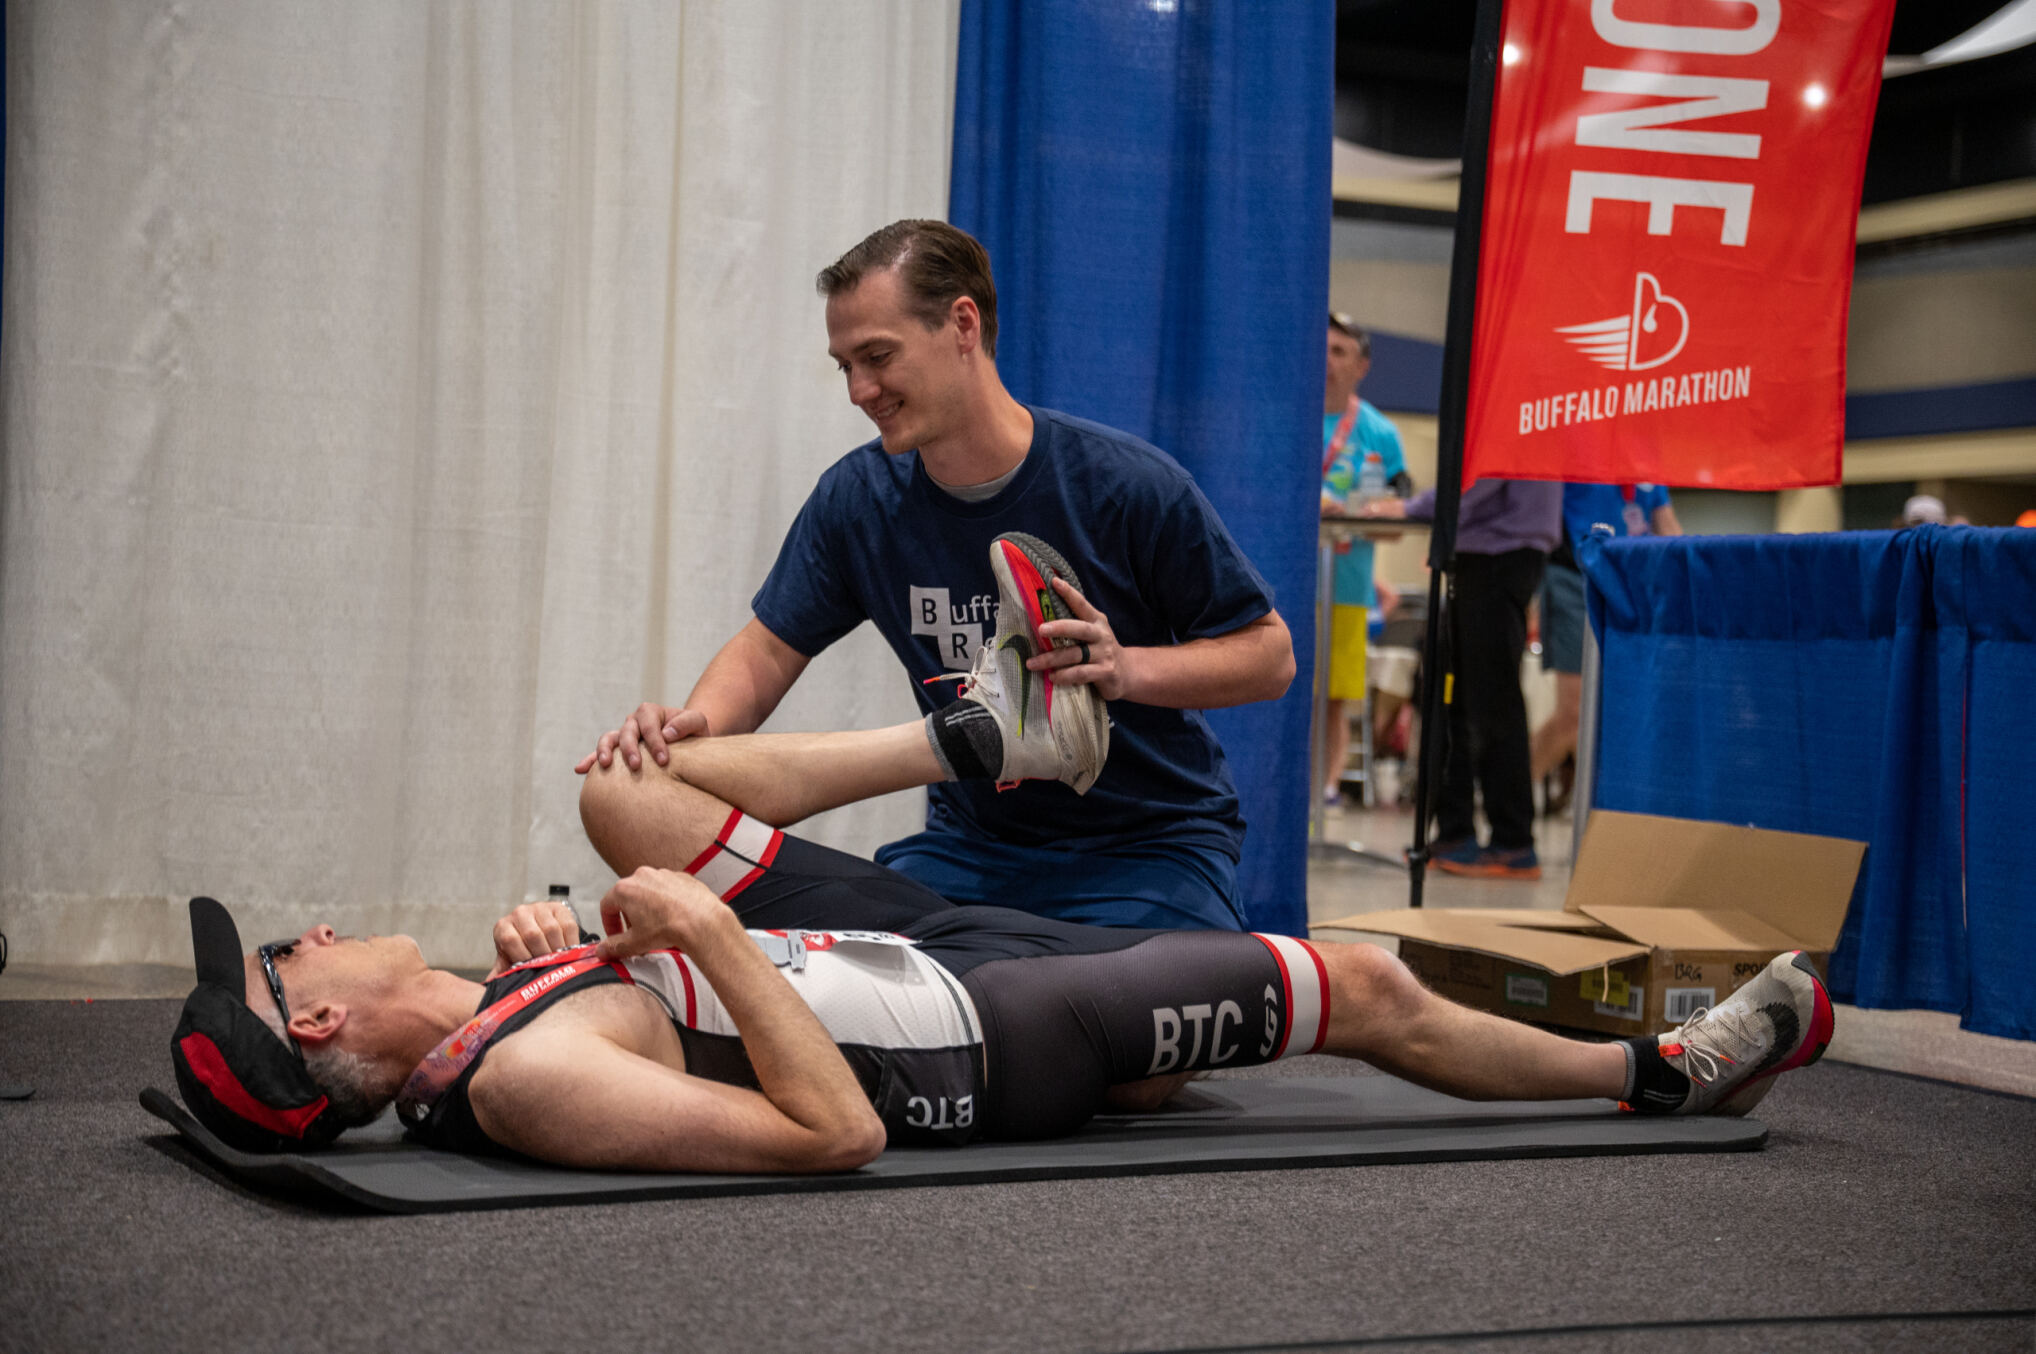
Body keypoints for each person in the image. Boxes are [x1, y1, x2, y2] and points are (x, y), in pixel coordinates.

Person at [170, 653, 1835, 1171]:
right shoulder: (522, 1082)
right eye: (288, 949)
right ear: (313, 1021)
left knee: (622, 796)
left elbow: (654, 1000)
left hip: (913, 958)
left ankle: (978, 740)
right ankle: (1667, 1068)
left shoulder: (487, 1037)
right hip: (980, 1032)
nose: (314, 924)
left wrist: (589, 934)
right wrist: (700, 934)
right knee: (1365, 976)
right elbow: (829, 1136)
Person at [577, 221, 1293, 932]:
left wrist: (1122, 669)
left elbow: (1269, 657)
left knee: (1097, 1007)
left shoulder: (1124, 485)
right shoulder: (859, 500)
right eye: (844, 366)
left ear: (961, 324)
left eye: (878, 356)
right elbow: (765, 651)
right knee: (626, 792)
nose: (860, 389)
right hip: (969, 857)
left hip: (1151, 850)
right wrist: (690, 741)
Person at [1362, 479, 1562, 879]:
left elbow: (1479, 477)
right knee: (1449, 695)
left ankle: (1512, 841)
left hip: (1497, 553)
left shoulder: (1505, 417)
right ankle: (1458, 832)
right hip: (1485, 551)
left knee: (1490, 701)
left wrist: (1410, 508)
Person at [1529, 483, 1683, 809]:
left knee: (1622, 713)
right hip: (1573, 577)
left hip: (1632, 586)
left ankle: (1611, 810)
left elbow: (1666, 524)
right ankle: (1516, 803)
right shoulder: (1580, 444)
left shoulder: (1647, 459)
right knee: (1574, 712)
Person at [1318, 314, 1411, 806]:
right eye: (1323, 348)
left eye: (1340, 352)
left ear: (1362, 366)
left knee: (1333, 698)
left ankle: (1326, 791)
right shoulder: (1287, 414)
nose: (1327, 361)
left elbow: (1396, 519)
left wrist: (1346, 511)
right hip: (1280, 584)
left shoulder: (1379, 434)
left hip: (1346, 588)